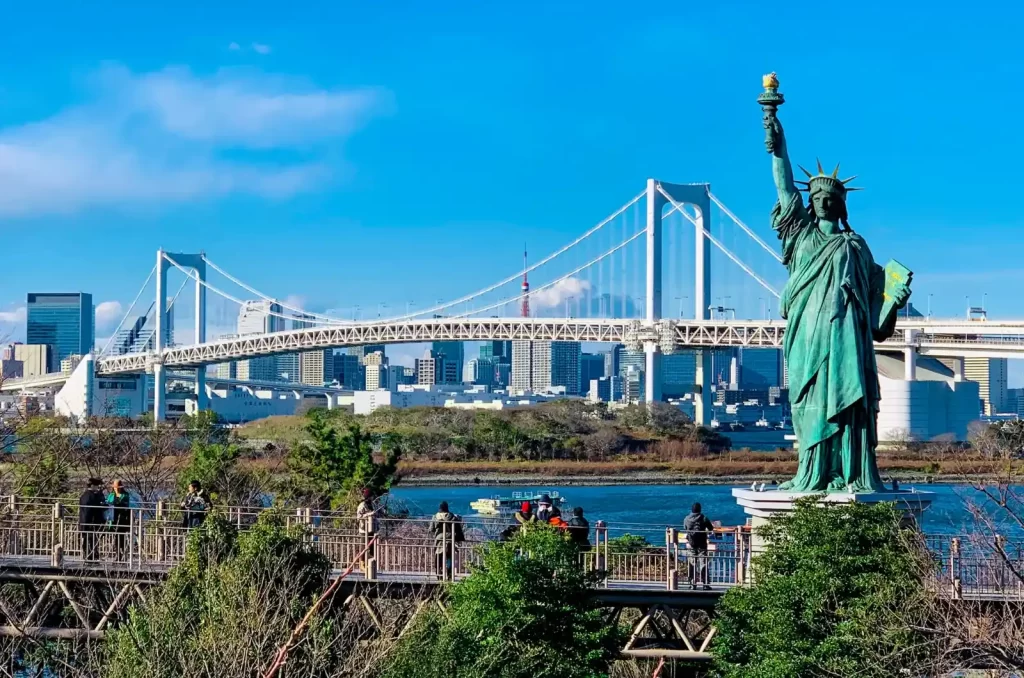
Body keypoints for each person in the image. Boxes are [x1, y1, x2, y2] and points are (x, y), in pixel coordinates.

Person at [761, 75, 910, 493]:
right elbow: (783, 182)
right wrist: (775, 130)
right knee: (810, 402)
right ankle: (812, 473)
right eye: (817, 194)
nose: (823, 198)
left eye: (831, 195)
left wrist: (895, 300)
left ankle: (853, 472)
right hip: (809, 334)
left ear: (841, 203)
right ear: (809, 202)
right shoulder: (801, 235)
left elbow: (878, 320)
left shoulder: (857, 246)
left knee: (853, 405)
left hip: (848, 337)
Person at [683, 502, 716, 590]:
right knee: (703, 563)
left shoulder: (686, 518)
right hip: (702, 544)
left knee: (692, 563)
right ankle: (705, 584)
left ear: (692, 510)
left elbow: (685, 528)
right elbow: (711, 528)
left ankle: (692, 584)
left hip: (691, 543)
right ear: (700, 509)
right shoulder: (704, 518)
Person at [429, 501, 464, 580]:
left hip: (439, 540)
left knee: (438, 557)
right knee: (449, 557)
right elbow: (458, 528)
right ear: (447, 508)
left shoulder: (435, 517)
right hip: (450, 539)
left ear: (439, 508)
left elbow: (431, 529)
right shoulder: (452, 516)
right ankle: (449, 572)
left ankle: (439, 573)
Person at [78, 478, 107, 561]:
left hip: (85, 521)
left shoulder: (84, 495)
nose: (97, 488)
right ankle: (91, 556)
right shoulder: (92, 496)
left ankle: (89, 556)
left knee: (88, 540)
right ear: (93, 486)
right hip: (91, 522)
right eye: (97, 486)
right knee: (91, 540)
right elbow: (96, 508)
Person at [107, 480, 131, 560]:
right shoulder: (111, 495)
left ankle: (124, 554)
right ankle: (117, 554)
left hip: (122, 519)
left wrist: (119, 504)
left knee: (122, 537)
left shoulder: (125, 495)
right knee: (115, 538)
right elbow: (108, 504)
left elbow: (127, 505)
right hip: (113, 519)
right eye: (115, 487)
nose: (116, 489)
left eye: (118, 487)